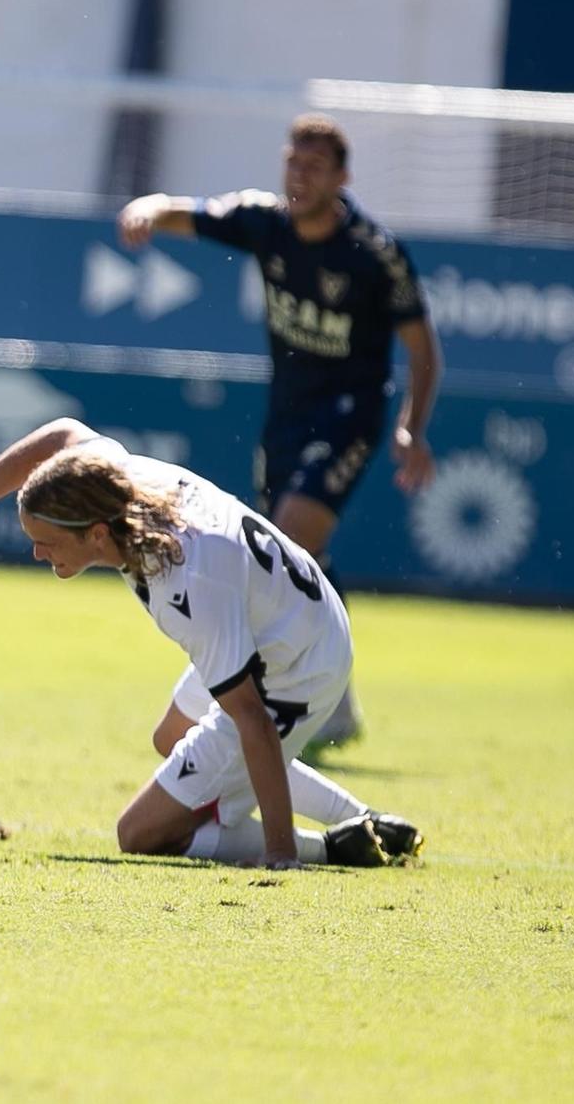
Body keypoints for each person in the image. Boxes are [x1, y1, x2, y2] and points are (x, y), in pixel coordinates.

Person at [0, 416, 423, 869]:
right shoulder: (112, 480)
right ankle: (368, 822)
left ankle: (329, 848)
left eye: (46, 543)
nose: (37, 555)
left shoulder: (186, 579)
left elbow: (253, 721)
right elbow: (61, 435)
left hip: (299, 663)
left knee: (140, 833)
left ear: (96, 534)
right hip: (283, 614)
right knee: (173, 736)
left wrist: (281, 855)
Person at [116, 114, 443, 746]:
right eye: (293, 163)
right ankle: (335, 698)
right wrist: (150, 210)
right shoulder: (265, 222)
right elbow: (192, 213)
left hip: (350, 417)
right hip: (287, 416)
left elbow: (422, 347)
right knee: (295, 560)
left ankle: (259, 708)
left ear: (342, 178)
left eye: (314, 168)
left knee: (286, 537)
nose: (299, 177)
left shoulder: (374, 255)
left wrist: (411, 428)